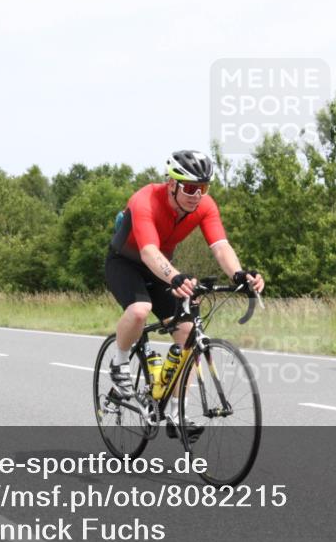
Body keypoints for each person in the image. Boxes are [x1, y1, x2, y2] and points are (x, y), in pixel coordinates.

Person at [105, 150, 265, 435]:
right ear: (172, 184)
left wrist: (239, 274)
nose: (197, 195)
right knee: (140, 310)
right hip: (126, 263)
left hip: (160, 267)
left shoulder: (204, 206)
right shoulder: (145, 200)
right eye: (190, 188)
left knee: (188, 333)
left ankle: (176, 412)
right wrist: (175, 276)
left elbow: (220, 245)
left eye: (203, 188)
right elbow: (148, 250)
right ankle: (119, 363)